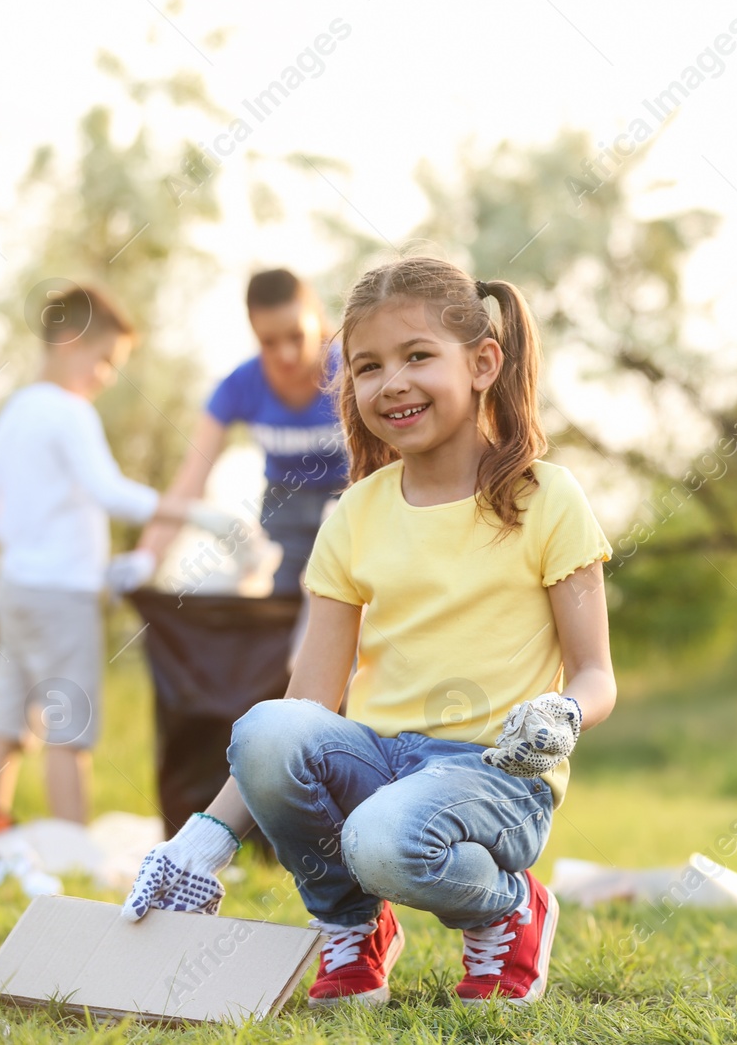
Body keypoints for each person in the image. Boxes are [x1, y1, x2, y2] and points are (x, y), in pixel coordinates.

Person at [120, 257, 617, 1008]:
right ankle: (354, 929)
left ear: (483, 362)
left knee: (379, 838)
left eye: (418, 356)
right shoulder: (354, 514)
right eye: (368, 366)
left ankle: (509, 907)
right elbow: (305, 707)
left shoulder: (544, 498)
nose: (392, 383)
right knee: (265, 730)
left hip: (493, 775)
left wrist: (566, 712)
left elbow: (596, 673)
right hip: (382, 762)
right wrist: (204, 840)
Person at [0, 286, 238, 827]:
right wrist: (192, 513)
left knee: (6, 719)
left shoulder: (15, 408)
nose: (108, 375)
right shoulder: (70, 413)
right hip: (62, 595)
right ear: (70, 340)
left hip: (15, 588)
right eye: (106, 359)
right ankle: (73, 852)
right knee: (69, 728)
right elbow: (110, 492)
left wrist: (28, 540)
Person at [126, 269, 347, 596]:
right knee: (279, 612)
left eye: (296, 336)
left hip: (348, 501)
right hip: (283, 509)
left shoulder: (352, 370)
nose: (285, 354)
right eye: (268, 342)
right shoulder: (238, 387)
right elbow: (190, 482)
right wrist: (144, 560)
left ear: (317, 319)